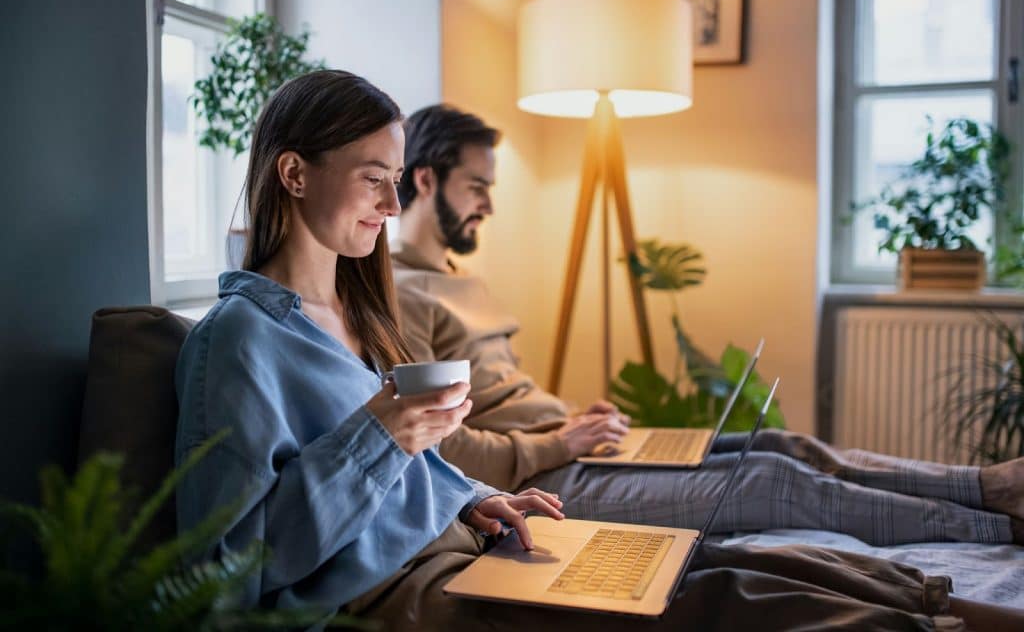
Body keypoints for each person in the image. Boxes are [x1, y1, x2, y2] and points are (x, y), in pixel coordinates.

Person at [174, 70, 997, 631]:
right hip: (399, 591)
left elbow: (403, 467)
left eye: (400, 177)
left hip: (465, 542)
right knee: (715, 601)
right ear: (292, 174)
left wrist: (466, 500)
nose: (394, 203)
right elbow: (230, 574)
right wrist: (387, 432)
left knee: (700, 559)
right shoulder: (240, 343)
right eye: (374, 177)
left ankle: (937, 599)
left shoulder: (349, 309)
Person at [391, 103, 1024, 547]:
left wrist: (573, 419)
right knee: (774, 483)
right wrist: (558, 444)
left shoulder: (455, 275)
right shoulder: (402, 295)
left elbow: (503, 395)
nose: (489, 205)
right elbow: (442, 449)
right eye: (477, 186)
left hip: (566, 448)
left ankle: (985, 485)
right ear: (426, 179)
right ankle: (1000, 528)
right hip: (540, 482)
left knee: (783, 446)